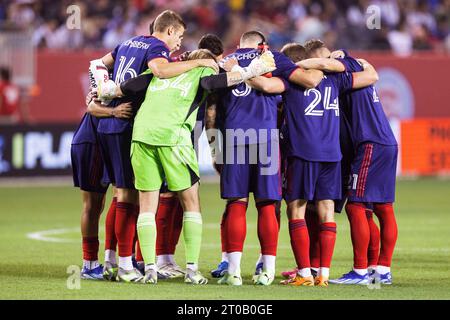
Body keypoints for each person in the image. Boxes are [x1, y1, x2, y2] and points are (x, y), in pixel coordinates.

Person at [108, 48, 276, 284]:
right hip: (173, 138)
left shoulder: (160, 72)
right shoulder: (202, 72)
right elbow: (215, 80)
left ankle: (150, 270)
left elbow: (128, 86)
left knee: (147, 205)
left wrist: (105, 92)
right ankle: (191, 270)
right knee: (191, 203)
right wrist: (253, 70)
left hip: (141, 136)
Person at [90, 10, 219, 283]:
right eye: (180, 37)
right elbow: (159, 71)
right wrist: (198, 64)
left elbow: (96, 64)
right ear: (169, 30)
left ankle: (114, 261)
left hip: (115, 120)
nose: (179, 45)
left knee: (122, 196)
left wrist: (104, 89)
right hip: (130, 121)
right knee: (128, 198)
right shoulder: (157, 48)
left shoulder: (128, 42)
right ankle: (126, 263)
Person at [246, 42, 379, 287]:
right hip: (332, 155)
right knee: (326, 212)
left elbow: (265, 85)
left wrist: (241, 73)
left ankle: (305, 273)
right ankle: (324, 275)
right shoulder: (336, 80)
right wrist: (355, 62)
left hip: (302, 153)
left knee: (296, 210)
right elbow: (370, 77)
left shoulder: (290, 81)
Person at [211, 31, 324, 286]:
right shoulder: (272, 57)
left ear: (240, 44)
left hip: (233, 138)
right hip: (266, 139)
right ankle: (267, 271)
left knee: (237, 204)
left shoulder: (225, 62)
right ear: (262, 43)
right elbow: (300, 82)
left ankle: (234, 272)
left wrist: (214, 147)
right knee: (267, 206)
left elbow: (212, 108)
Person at [298, 44, 397, 285]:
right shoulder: (357, 70)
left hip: (370, 143)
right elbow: (372, 73)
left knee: (356, 207)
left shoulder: (343, 65)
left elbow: (328, 63)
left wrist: (299, 65)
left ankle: (361, 271)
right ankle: (380, 269)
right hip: (384, 142)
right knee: (380, 208)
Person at [72, 87, 132, 280]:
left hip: (109, 140)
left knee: (120, 195)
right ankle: (89, 264)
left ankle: (114, 258)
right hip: (92, 142)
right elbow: (91, 107)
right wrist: (114, 111)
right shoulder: (108, 80)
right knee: (93, 205)